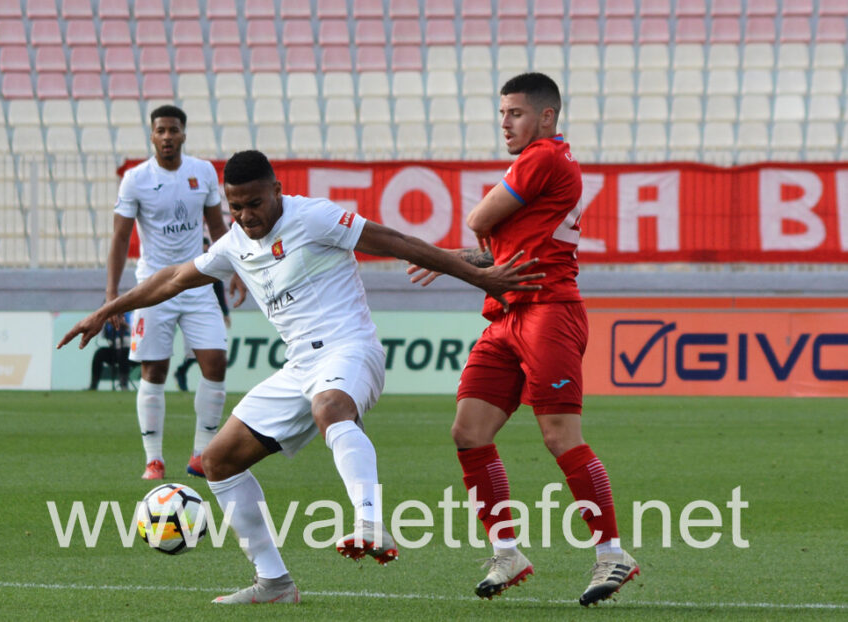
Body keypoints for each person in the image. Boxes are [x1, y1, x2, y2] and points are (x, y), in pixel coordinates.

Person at [59, 150, 543, 606]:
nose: (246, 216)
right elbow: (170, 278)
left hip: (351, 349)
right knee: (217, 460)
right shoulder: (232, 245)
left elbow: (396, 242)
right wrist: (107, 310)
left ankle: (371, 522)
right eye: (235, 207)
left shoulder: (314, 216)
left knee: (330, 408)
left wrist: (477, 275)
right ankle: (273, 581)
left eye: (254, 203)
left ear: (277, 189)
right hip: (299, 367)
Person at [408, 73, 639, 606]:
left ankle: (612, 553)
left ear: (546, 116)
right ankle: (507, 552)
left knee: (561, 436)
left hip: (548, 312)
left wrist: (461, 248)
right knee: (469, 430)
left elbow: (478, 219)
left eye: (514, 112)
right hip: (508, 314)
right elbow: (502, 250)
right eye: (502, 113)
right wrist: (452, 261)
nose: (505, 122)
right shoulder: (548, 168)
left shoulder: (543, 157)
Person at [106, 104, 246, 481]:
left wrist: (237, 269)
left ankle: (202, 453)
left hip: (198, 280)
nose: (167, 137)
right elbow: (121, 238)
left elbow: (219, 227)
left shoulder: (201, 172)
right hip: (153, 285)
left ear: (184, 134)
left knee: (215, 362)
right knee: (155, 370)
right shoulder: (135, 179)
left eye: (173, 130)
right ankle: (154, 459)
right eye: (161, 130)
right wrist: (112, 294)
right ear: (152, 136)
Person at [174, 238, 231, 392]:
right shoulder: (191, 266)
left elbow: (218, 288)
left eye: (207, 247)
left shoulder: (211, 265)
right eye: (203, 247)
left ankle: (181, 372)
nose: (205, 250)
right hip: (188, 307)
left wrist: (225, 311)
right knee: (195, 353)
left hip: (205, 308)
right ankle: (181, 372)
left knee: (212, 351)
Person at [87, 314, 132, 391]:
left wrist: (124, 325)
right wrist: (105, 322)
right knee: (99, 354)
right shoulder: (109, 316)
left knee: (124, 353)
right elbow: (103, 335)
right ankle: (93, 385)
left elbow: (134, 331)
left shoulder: (130, 315)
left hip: (129, 350)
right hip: (114, 348)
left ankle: (124, 384)